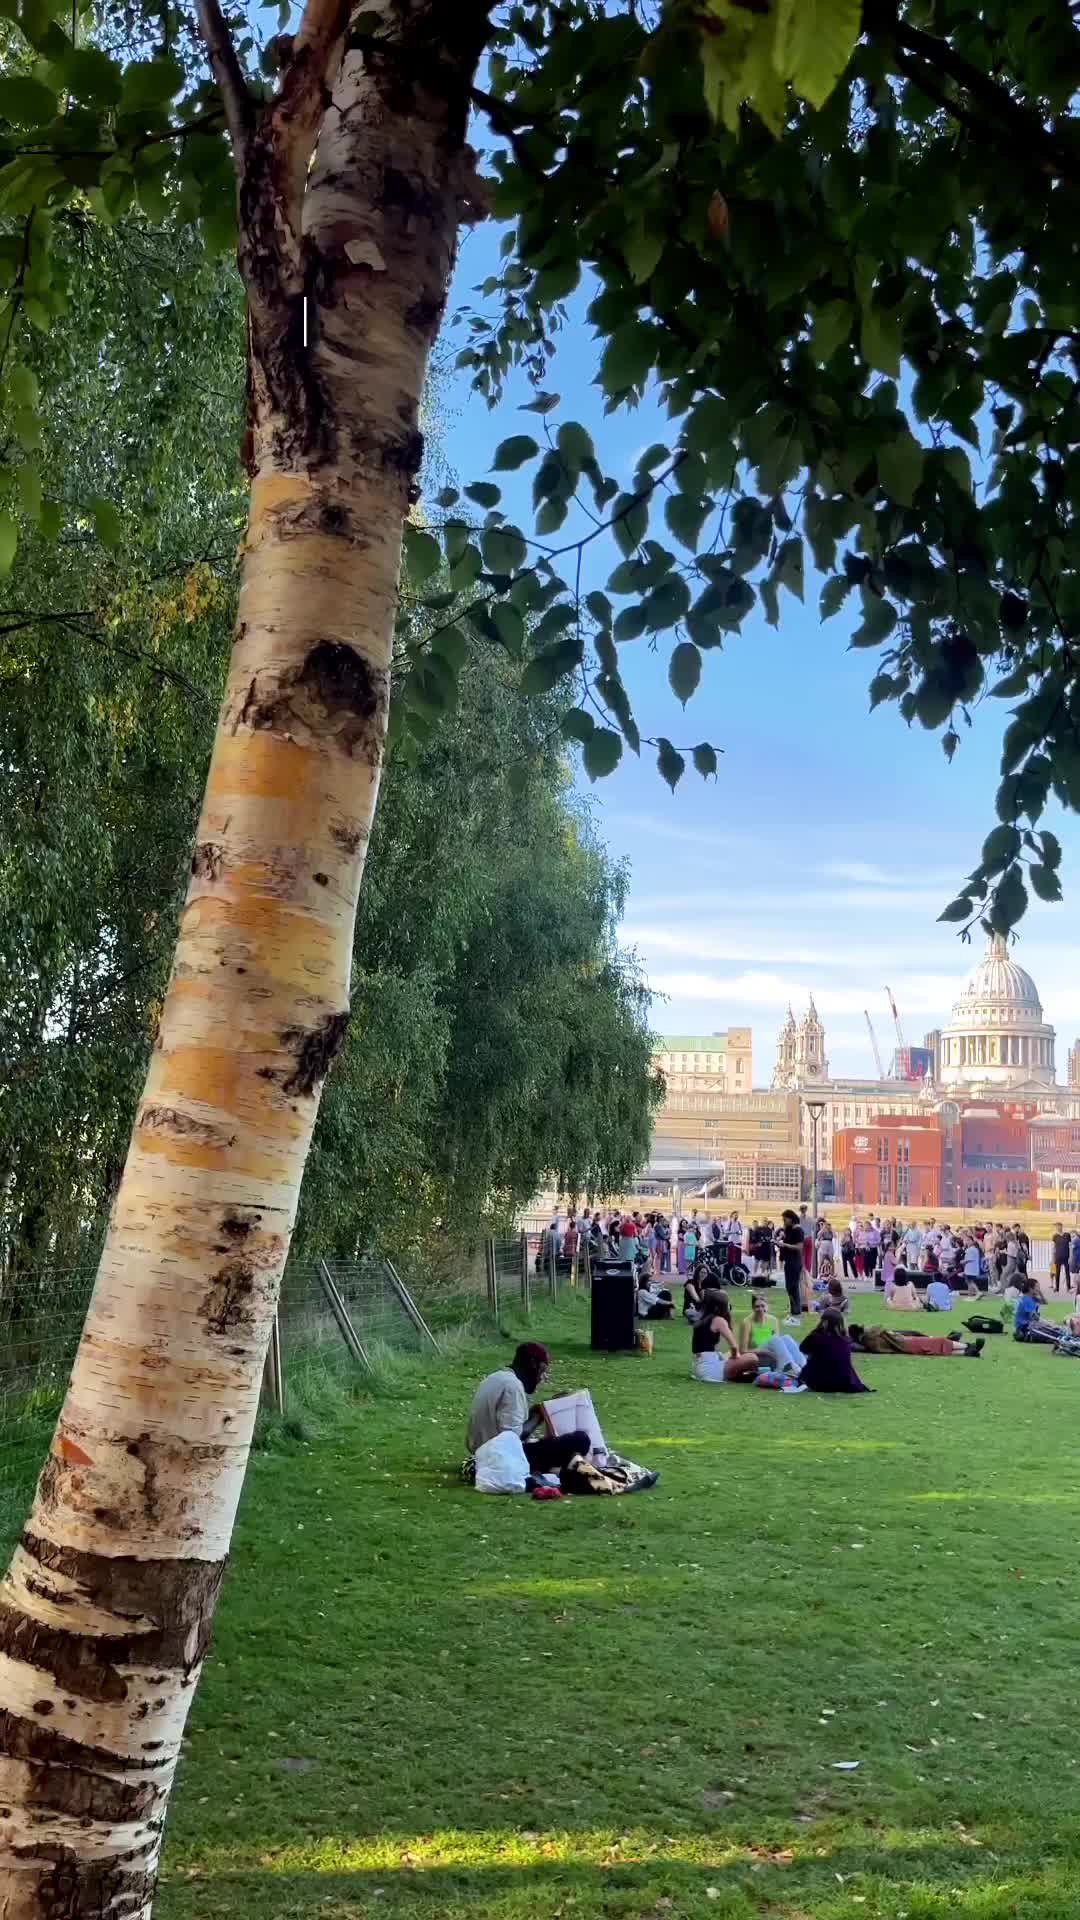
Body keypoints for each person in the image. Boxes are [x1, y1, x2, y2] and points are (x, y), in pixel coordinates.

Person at [466, 1342, 591, 1473]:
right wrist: (539, 1416)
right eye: (542, 1371)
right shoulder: (513, 1386)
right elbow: (512, 1440)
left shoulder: (494, 1378)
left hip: (481, 1450)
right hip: (498, 1457)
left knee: (547, 1443)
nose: (542, 1377)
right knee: (580, 1440)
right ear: (532, 1364)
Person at [690, 1290, 762, 1383]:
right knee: (752, 1358)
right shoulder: (718, 1320)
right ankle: (743, 1375)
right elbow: (734, 1346)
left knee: (735, 1353)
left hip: (699, 1367)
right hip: (711, 1370)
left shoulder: (701, 1318)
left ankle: (742, 1375)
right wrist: (735, 1357)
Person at [799, 1308, 871, 1393]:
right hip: (845, 1383)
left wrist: (816, 1329)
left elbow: (802, 1348)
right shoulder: (846, 1340)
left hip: (819, 1383)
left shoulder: (817, 1336)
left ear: (824, 1322)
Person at [739, 1293, 806, 1376]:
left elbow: (779, 1344)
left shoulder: (773, 1320)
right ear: (752, 1308)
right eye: (757, 1306)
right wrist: (763, 1351)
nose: (760, 1309)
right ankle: (790, 1367)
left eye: (763, 1306)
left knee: (786, 1338)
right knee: (775, 1339)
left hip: (773, 1356)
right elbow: (743, 1351)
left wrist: (772, 1353)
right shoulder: (747, 1322)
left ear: (767, 1307)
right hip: (757, 1357)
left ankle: (804, 1366)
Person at [849, 1323, 985, 1358]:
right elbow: (880, 1328)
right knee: (937, 1343)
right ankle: (967, 1346)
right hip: (904, 1343)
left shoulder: (868, 1342)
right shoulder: (871, 1336)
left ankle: (968, 1351)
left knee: (933, 1349)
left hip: (903, 1344)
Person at [778, 1208, 805, 1325]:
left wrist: (785, 1244)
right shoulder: (788, 1230)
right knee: (789, 1286)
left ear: (791, 1218)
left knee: (793, 1286)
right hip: (789, 1260)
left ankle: (796, 1310)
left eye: (785, 1219)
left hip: (795, 1260)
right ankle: (794, 1309)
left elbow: (799, 1247)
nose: (784, 1221)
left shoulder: (798, 1230)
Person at [1052, 1223, 1071, 1293]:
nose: (1058, 1228)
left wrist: (1070, 1257)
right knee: (1057, 1273)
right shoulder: (1055, 1236)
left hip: (1066, 1256)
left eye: (1059, 1226)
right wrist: (1053, 1258)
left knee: (1067, 1273)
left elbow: (1070, 1246)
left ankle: (1068, 1287)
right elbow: (1053, 1248)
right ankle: (1057, 1288)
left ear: (1061, 1226)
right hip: (1058, 1257)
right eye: (1056, 1227)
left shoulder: (1067, 1235)